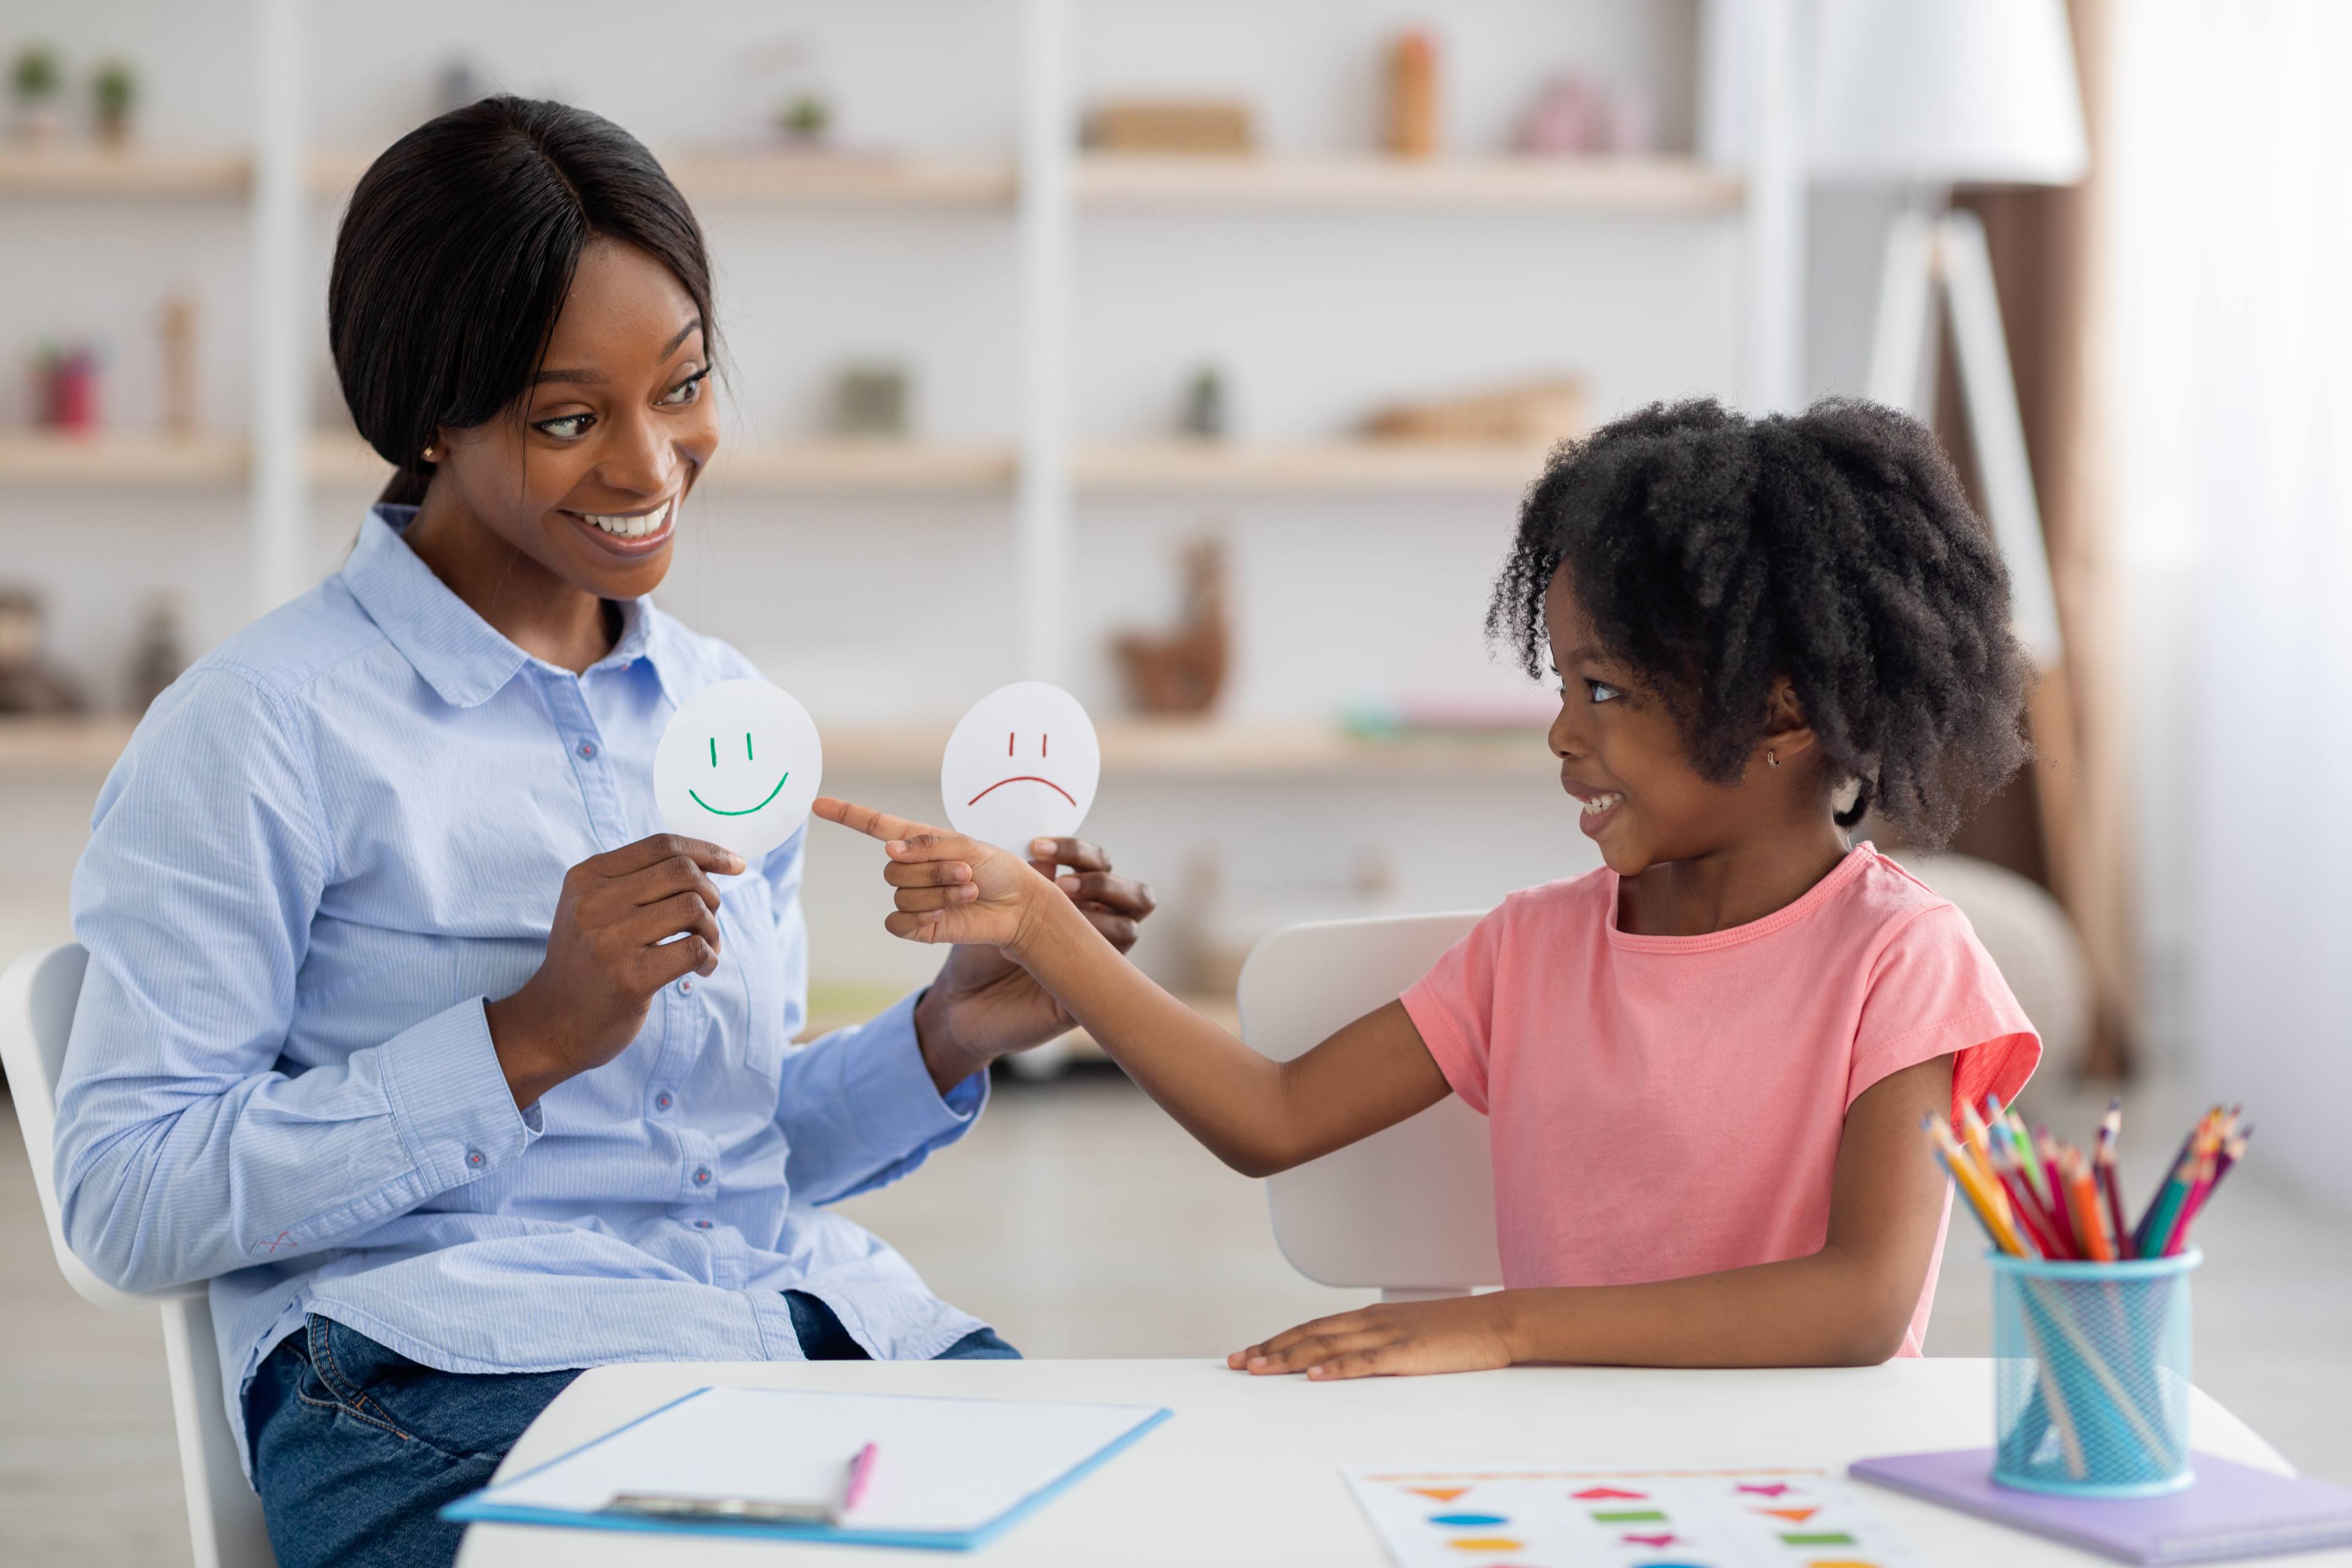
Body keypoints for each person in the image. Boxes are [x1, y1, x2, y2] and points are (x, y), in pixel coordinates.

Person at [51, 97, 1153, 1568]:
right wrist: (522, 1040)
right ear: (429, 412)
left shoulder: (729, 712)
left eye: (684, 385)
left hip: (785, 1330)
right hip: (443, 1384)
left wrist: (947, 1031)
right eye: (570, 418)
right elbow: (125, 1194)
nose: (650, 465)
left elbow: (726, 1150)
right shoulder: (260, 730)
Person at [820, 399, 2043, 1379]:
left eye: (1604, 690)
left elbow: (1862, 1301)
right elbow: (1274, 1115)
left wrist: (1507, 1323)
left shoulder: (1904, 960)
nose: (1562, 733)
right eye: (1560, 685)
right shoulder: (1535, 950)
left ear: (1777, 709)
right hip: (1541, 1470)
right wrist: (1040, 926)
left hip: (1794, 1484)